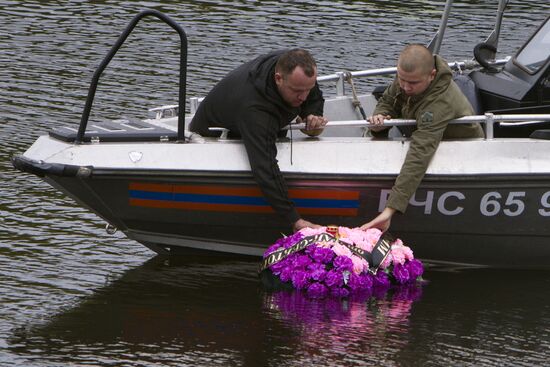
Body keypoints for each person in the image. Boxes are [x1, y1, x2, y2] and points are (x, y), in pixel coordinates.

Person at [189, 48, 328, 232]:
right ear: (278, 79)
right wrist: (294, 219)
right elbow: (264, 166)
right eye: (297, 91)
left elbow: (313, 95)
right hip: (215, 137)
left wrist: (312, 114)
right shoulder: (255, 110)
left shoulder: (294, 71)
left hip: (261, 118)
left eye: (307, 89)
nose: (303, 97)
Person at [361, 44, 484, 232]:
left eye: (413, 83)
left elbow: (420, 153)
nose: (405, 87)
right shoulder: (408, 77)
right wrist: (381, 118)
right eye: (401, 79)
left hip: (463, 153)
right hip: (425, 136)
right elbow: (388, 100)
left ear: (432, 75)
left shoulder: (439, 102)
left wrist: (390, 209)